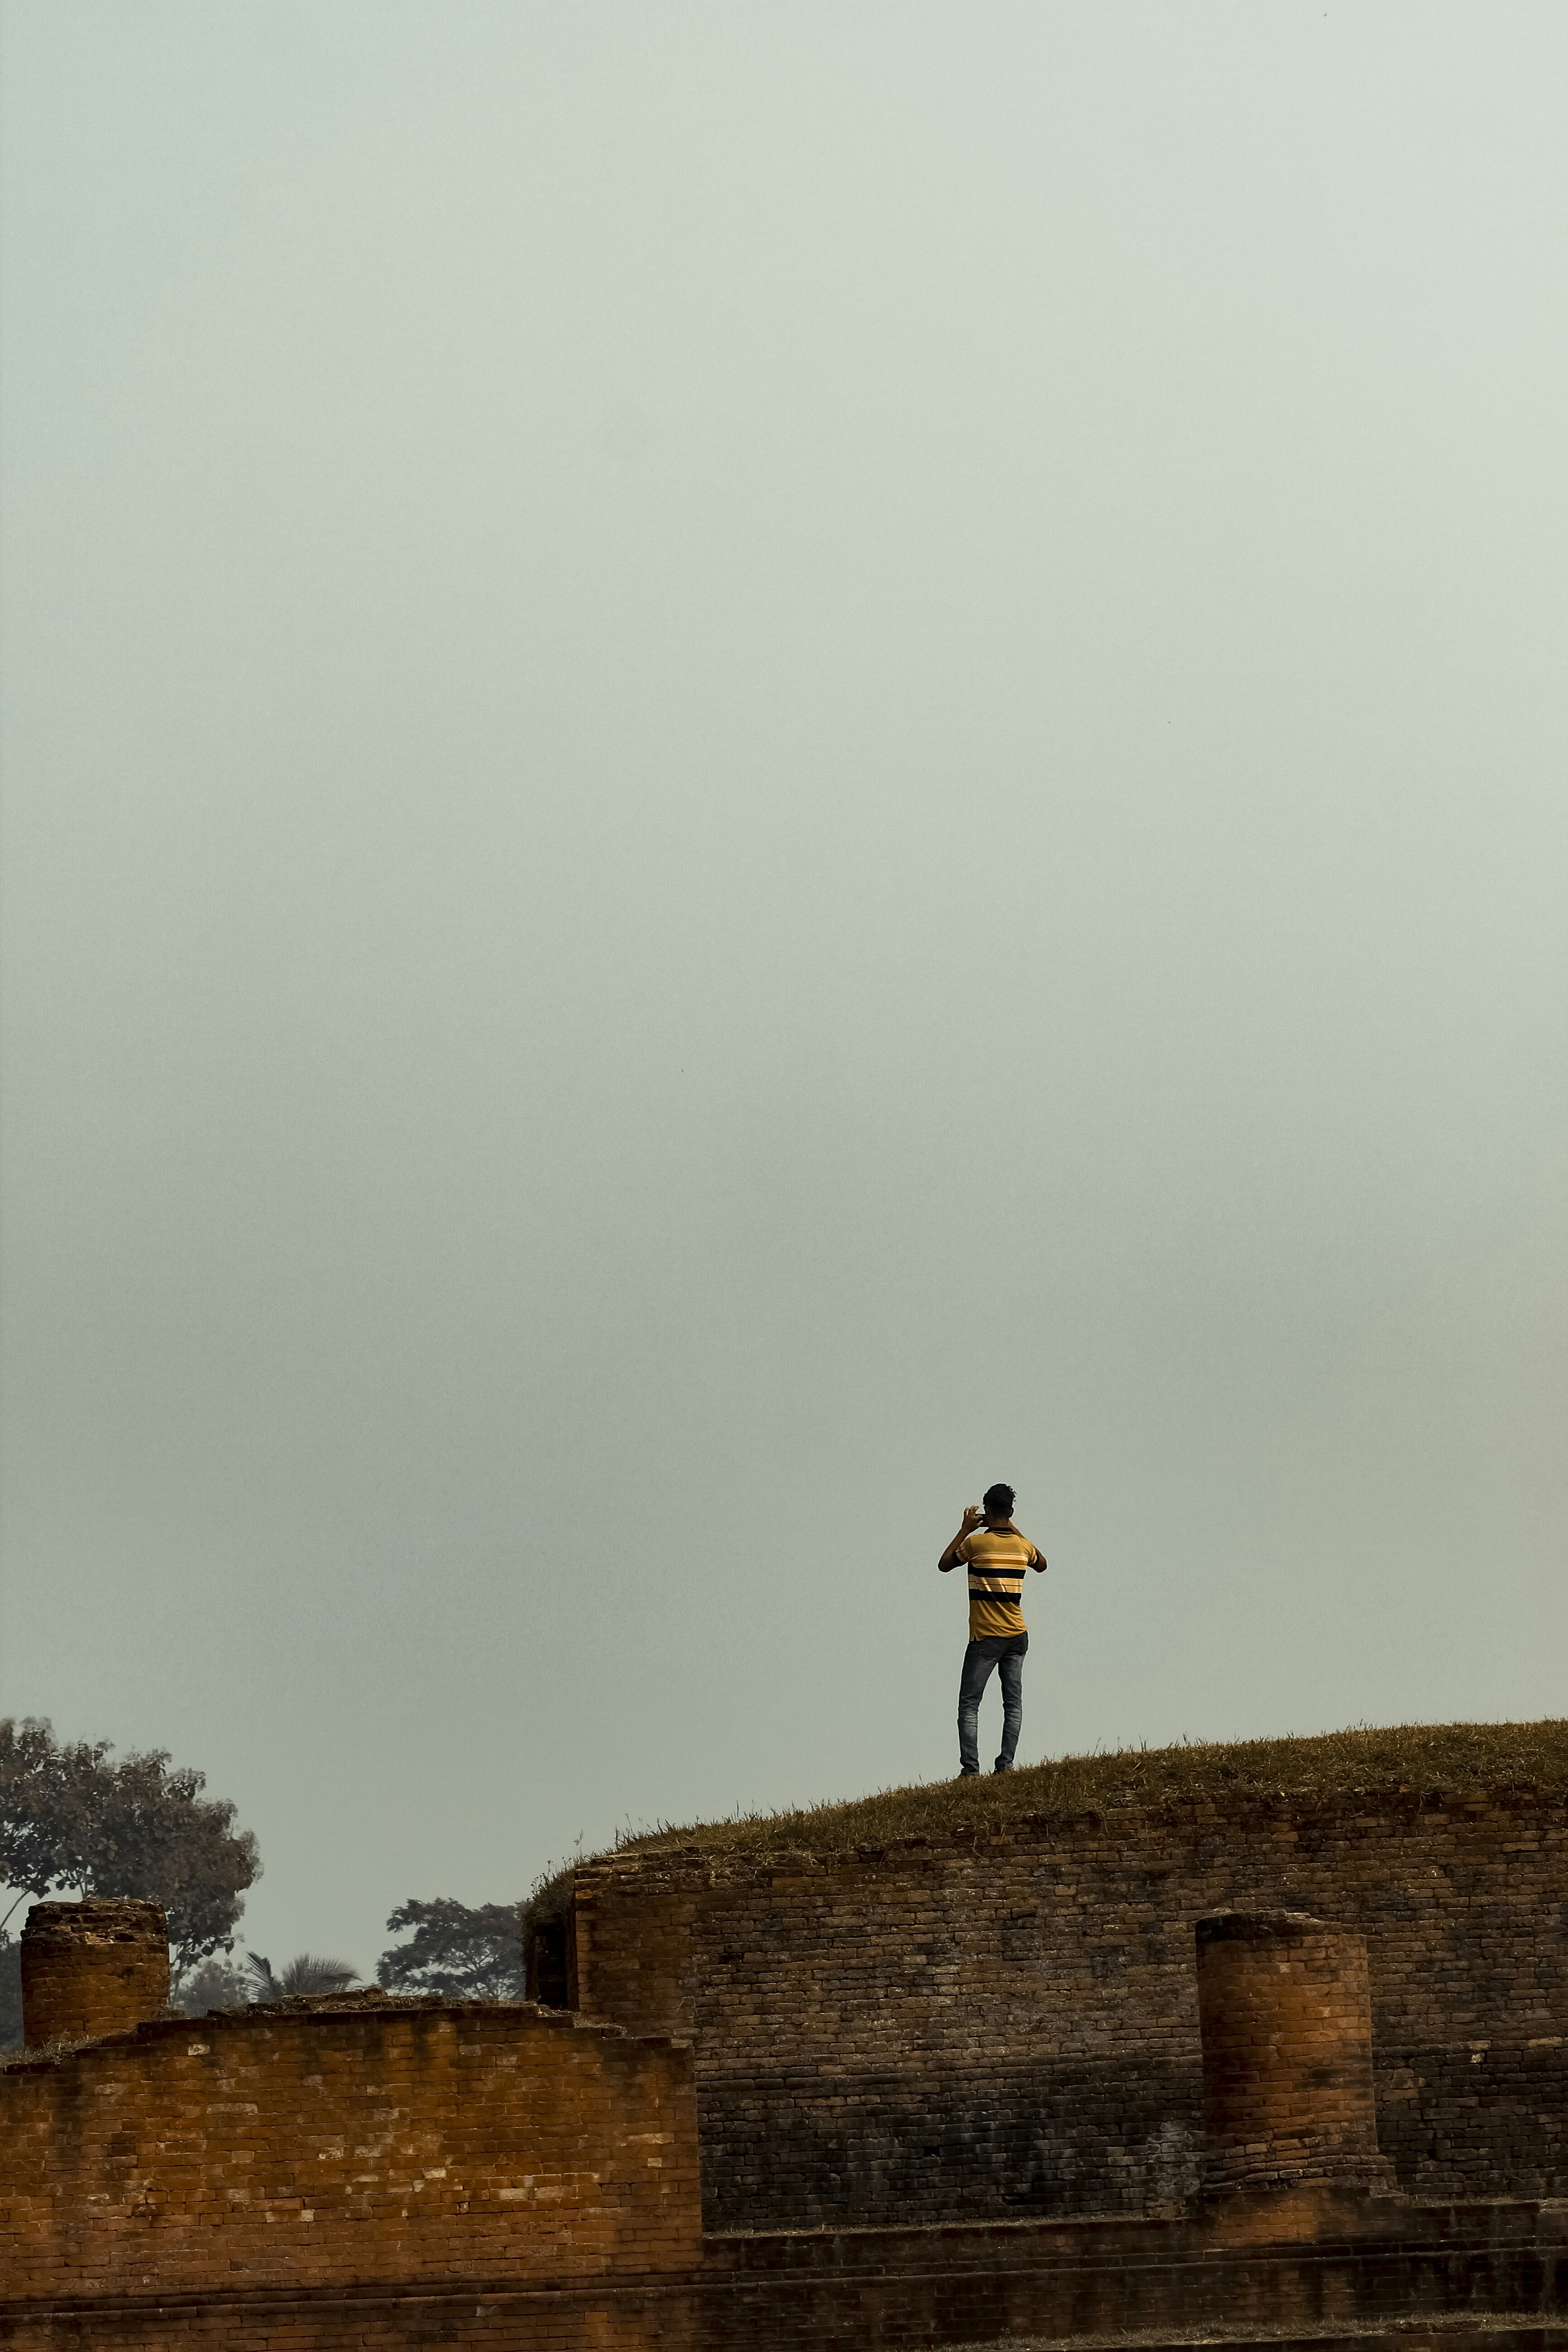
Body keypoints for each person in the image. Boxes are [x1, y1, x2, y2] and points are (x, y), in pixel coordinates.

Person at [938, 1484, 1047, 1777]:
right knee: (1012, 1704)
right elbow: (1042, 1564)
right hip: (1017, 1636)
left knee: (970, 1705)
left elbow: (944, 1564)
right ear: (1011, 1512)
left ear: (985, 1511)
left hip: (986, 1638)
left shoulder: (975, 1545)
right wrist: (1011, 1526)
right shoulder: (1023, 1548)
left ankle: (971, 1772)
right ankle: (1006, 1766)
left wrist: (964, 1530)